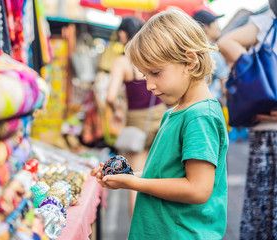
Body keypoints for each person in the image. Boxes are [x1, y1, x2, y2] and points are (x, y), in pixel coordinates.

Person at [92, 9, 229, 239]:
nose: (149, 85)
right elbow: (165, 173)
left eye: (155, 73)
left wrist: (135, 184)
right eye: (146, 76)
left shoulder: (199, 117)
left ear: (190, 60)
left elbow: (197, 189)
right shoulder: (176, 112)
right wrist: (126, 177)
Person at [218, 1, 277, 239]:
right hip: (266, 130)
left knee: (263, 205)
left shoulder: (266, 23)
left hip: (264, 128)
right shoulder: (267, 22)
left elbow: (225, 42)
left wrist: (256, 76)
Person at [106, 16, 167, 217]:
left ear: (123, 34)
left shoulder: (123, 61)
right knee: (158, 176)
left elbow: (110, 96)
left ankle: (138, 232)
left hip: (136, 123)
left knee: (136, 181)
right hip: (160, 118)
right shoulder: (151, 56)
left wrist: (116, 110)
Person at [193, 10, 229, 101]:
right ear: (205, 27)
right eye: (215, 23)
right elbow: (225, 87)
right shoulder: (212, 53)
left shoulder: (191, 52)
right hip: (211, 103)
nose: (218, 27)